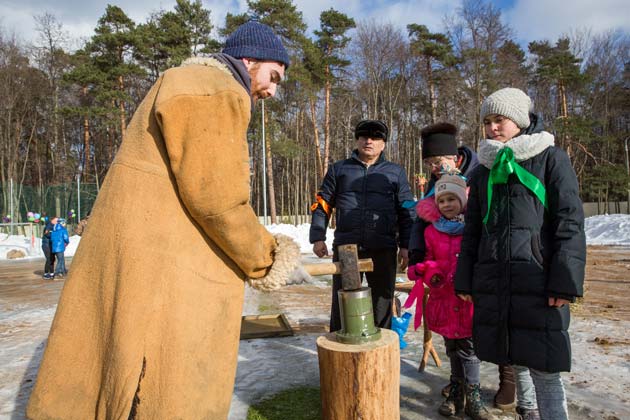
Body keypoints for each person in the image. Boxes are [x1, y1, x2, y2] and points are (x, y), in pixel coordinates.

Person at [27, 21, 302, 420]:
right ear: (249, 60)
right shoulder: (218, 89)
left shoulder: (182, 81)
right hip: (168, 273)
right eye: (273, 76)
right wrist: (267, 257)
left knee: (103, 372)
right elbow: (217, 199)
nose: (272, 90)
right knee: (161, 384)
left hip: (138, 259)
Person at [454, 87, 586, 420]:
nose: (492, 128)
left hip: (538, 280)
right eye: (487, 121)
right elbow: (472, 232)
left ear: (520, 120)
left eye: (500, 120)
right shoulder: (483, 170)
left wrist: (564, 282)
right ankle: (526, 411)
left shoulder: (550, 158)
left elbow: (569, 220)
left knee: (545, 367)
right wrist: (466, 279)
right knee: (513, 356)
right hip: (496, 280)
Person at [310, 119, 414, 331]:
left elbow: (407, 210)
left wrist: (406, 245)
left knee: (382, 302)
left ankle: (380, 349)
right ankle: (342, 346)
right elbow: (322, 204)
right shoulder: (339, 169)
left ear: (383, 144)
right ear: (357, 140)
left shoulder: (395, 172)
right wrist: (318, 236)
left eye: (375, 137)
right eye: (364, 136)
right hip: (348, 247)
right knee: (344, 301)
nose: (369, 141)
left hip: (383, 247)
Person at [405, 174, 494, 420]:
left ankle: (473, 394)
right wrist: (429, 271)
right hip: (443, 297)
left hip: (466, 300)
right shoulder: (432, 231)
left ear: (463, 200)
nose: (446, 204)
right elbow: (429, 258)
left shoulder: (473, 229)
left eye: (452, 199)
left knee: (469, 349)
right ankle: (456, 390)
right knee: (452, 347)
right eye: (441, 200)